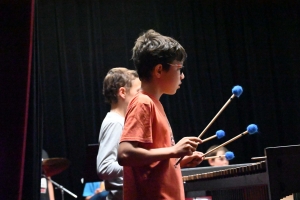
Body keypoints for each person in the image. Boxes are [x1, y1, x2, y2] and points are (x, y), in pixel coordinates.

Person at [117, 29, 204, 200]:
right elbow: (125, 154)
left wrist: (178, 159)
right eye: (179, 68)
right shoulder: (143, 102)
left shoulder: (155, 104)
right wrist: (173, 150)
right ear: (158, 70)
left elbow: (150, 161)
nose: (183, 76)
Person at [97, 67, 141, 200]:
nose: (142, 96)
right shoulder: (115, 123)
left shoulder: (121, 121)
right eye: (138, 91)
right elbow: (104, 167)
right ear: (122, 92)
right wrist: (143, 164)